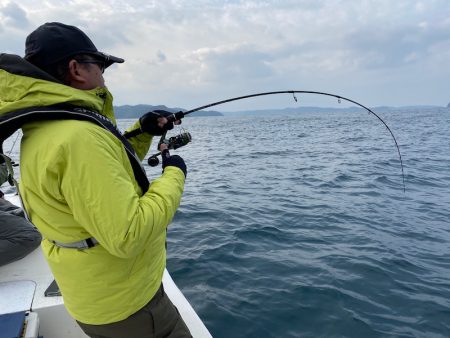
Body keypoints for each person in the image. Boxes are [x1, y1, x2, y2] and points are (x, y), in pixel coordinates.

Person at [0, 22, 191, 338]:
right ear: (76, 69)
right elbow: (129, 234)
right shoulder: (79, 139)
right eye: (100, 65)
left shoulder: (48, 128)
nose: (104, 75)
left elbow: (108, 171)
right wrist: (175, 172)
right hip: (130, 308)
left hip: (96, 298)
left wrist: (141, 133)